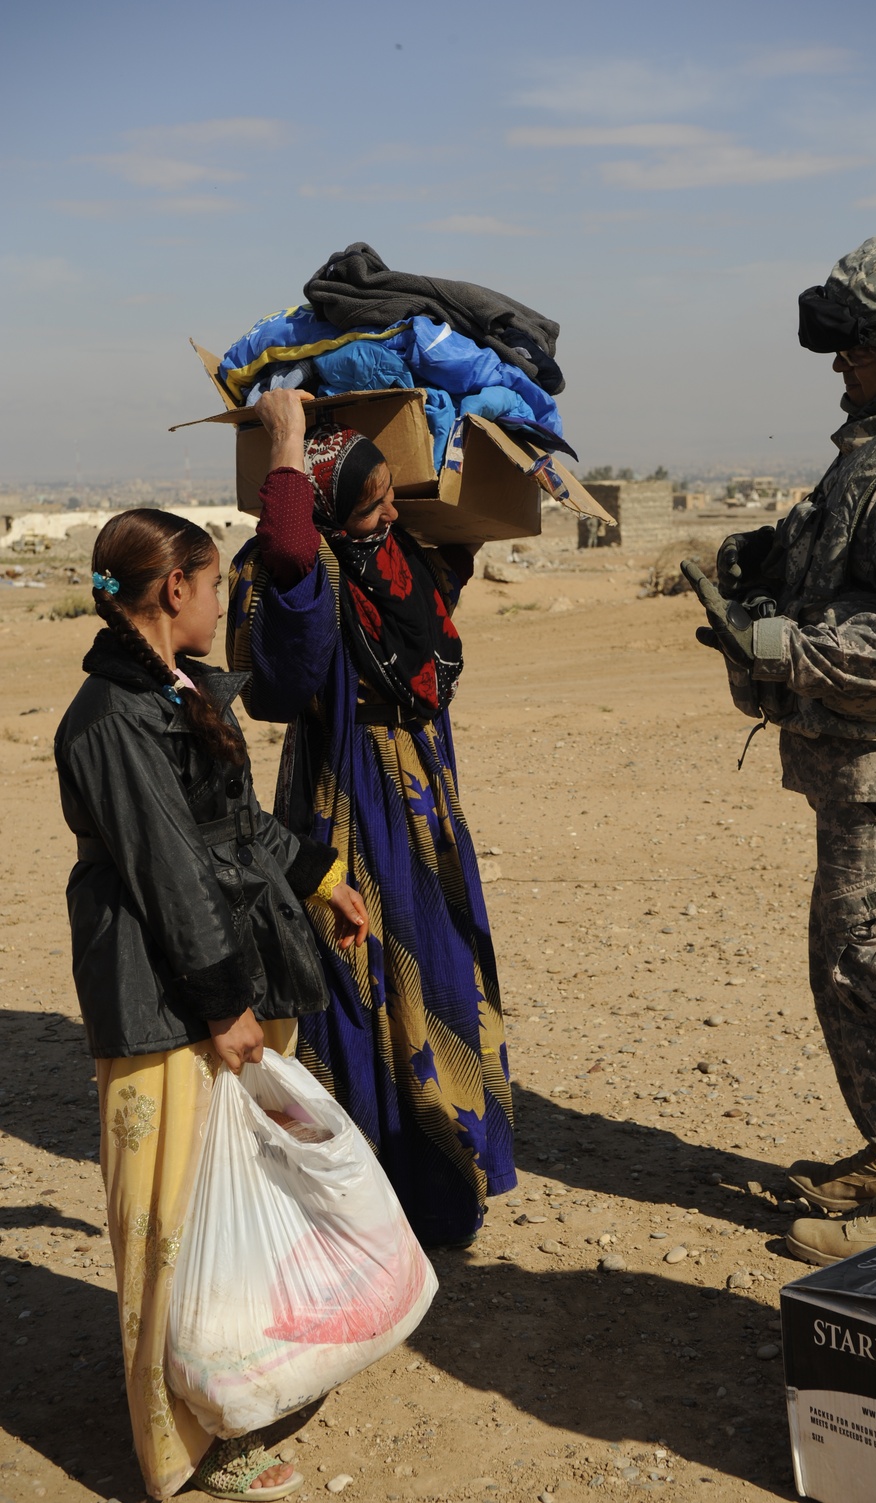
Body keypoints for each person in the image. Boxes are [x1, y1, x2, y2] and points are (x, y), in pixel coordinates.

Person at [684, 228, 876, 1266]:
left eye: (857, 345)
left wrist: (798, 649)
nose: (839, 363)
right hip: (868, 773)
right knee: (859, 968)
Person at [54, 508, 368, 1501]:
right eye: (212, 581)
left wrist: (321, 879)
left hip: (231, 972)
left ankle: (241, 1387)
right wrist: (225, 1005)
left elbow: (236, 827)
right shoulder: (109, 720)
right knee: (167, 1229)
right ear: (173, 590)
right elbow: (167, 872)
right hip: (165, 997)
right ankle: (182, 1448)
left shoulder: (181, 690)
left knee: (240, 1208)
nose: (225, 598)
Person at [228, 388, 517, 1249]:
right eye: (370, 502)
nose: (391, 511)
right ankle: (363, 1196)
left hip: (425, 810)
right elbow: (285, 559)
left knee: (436, 974)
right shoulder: (302, 576)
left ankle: (440, 1178)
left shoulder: (400, 559)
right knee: (357, 987)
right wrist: (284, 435)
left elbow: (466, 509)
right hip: (349, 804)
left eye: (392, 492)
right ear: (319, 511)